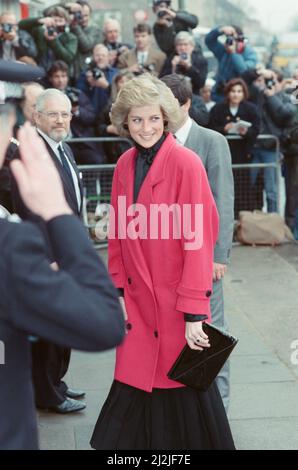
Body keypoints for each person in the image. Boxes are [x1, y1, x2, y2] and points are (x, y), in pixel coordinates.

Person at [90, 74, 235, 450]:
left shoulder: (187, 164)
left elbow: (199, 242)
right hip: (138, 305)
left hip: (175, 306)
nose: (146, 127)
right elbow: (118, 234)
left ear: (166, 118)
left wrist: (193, 314)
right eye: (136, 119)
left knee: (183, 398)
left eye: (153, 118)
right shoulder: (123, 163)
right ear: (125, 122)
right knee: (137, 388)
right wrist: (117, 289)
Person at [0, 64, 124, 448]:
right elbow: (104, 322)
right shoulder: (8, 248)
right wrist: (57, 215)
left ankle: (55, 387)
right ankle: (50, 391)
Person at [161, 73, 234, 411]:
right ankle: (189, 412)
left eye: (167, 105)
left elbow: (223, 199)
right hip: (167, 260)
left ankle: (219, 409)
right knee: (178, 334)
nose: (159, 113)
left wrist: (219, 256)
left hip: (205, 259)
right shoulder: (155, 141)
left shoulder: (211, 141)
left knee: (211, 331)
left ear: (186, 104)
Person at [11, 89, 87, 414]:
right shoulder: (31, 154)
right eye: (53, 114)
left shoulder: (63, 149)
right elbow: (30, 210)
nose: (60, 120)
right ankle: (47, 394)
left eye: (65, 113)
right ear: (37, 116)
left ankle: (57, 382)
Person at [209, 78, 260, 218]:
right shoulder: (218, 108)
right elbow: (210, 127)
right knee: (223, 188)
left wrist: (246, 132)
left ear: (244, 93)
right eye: (233, 91)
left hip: (243, 155)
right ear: (228, 92)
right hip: (223, 154)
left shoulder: (251, 109)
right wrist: (224, 128)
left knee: (243, 189)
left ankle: (243, 220)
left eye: (239, 91)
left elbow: (257, 128)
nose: (236, 94)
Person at [48, 60, 105, 164]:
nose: (60, 80)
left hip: (79, 141)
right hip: (56, 142)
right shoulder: (46, 97)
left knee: (96, 159)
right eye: (57, 76)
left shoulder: (77, 94)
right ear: (51, 78)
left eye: (63, 76)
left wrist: (77, 110)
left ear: (68, 78)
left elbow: (91, 117)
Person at [18, 6, 78, 77]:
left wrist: (53, 41)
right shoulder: (39, 31)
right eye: (54, 21)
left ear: (66, 21)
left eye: (60, 21)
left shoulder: (70, 37)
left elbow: (68, 57)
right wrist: (39, 20)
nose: (57, 24)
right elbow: (20, 25)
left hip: (59, 76)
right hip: (39, 70)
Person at [205, 25, 257, 102]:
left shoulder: (249, 52)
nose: (231, 41)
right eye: (228, 37)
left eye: (233, 38)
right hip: (220, 95)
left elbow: (244, 70)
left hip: (239, 98)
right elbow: (209, 41)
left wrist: (233, 53)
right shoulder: (224, 51)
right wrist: (220, 30)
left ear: (240, 39)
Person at [160, 31, 207, 95]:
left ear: (192, 46)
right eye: (180, 45)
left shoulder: (200, 60)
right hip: (173, 95)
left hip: (193, 96)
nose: (182, 48)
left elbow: (201, 83)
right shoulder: (170, 60)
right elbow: (162, 81)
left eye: (185, 44)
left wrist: (189, 67)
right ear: (176, 47)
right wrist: (173, 67)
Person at [77, 43, 118, 115]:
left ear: (108, 57)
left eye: (103, 55)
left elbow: (121, 93)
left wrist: (107, 87)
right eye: (97, 55)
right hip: (91, 115)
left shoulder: (116, 73)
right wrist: (89, 84)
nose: (100, 58)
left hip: (111, 113)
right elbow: (79, 94)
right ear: (93, 57)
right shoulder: (85, 74)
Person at [65, 1, 102, 80]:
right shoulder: (67, 26)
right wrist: (66, 6)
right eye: (80, 16)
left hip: (84, 73)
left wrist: (75, 26)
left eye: (86, 15)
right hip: (68, 73)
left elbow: (86, 45)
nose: (84, 19)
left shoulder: (95, 29)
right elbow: (46, 12)